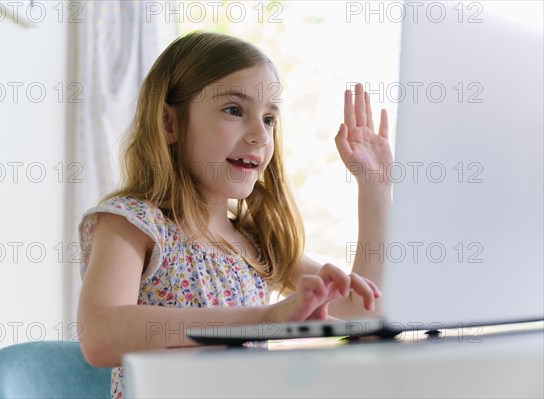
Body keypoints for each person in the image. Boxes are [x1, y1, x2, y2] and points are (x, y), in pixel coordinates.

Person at [77, 31, 392, 399]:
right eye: (234, 110)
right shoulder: (132, 223)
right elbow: (101, 335)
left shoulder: (256, 245)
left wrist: (375, 190)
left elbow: (363, 314)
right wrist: (263, 320)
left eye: (270, 118)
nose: (260, 134)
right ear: (169, 123)